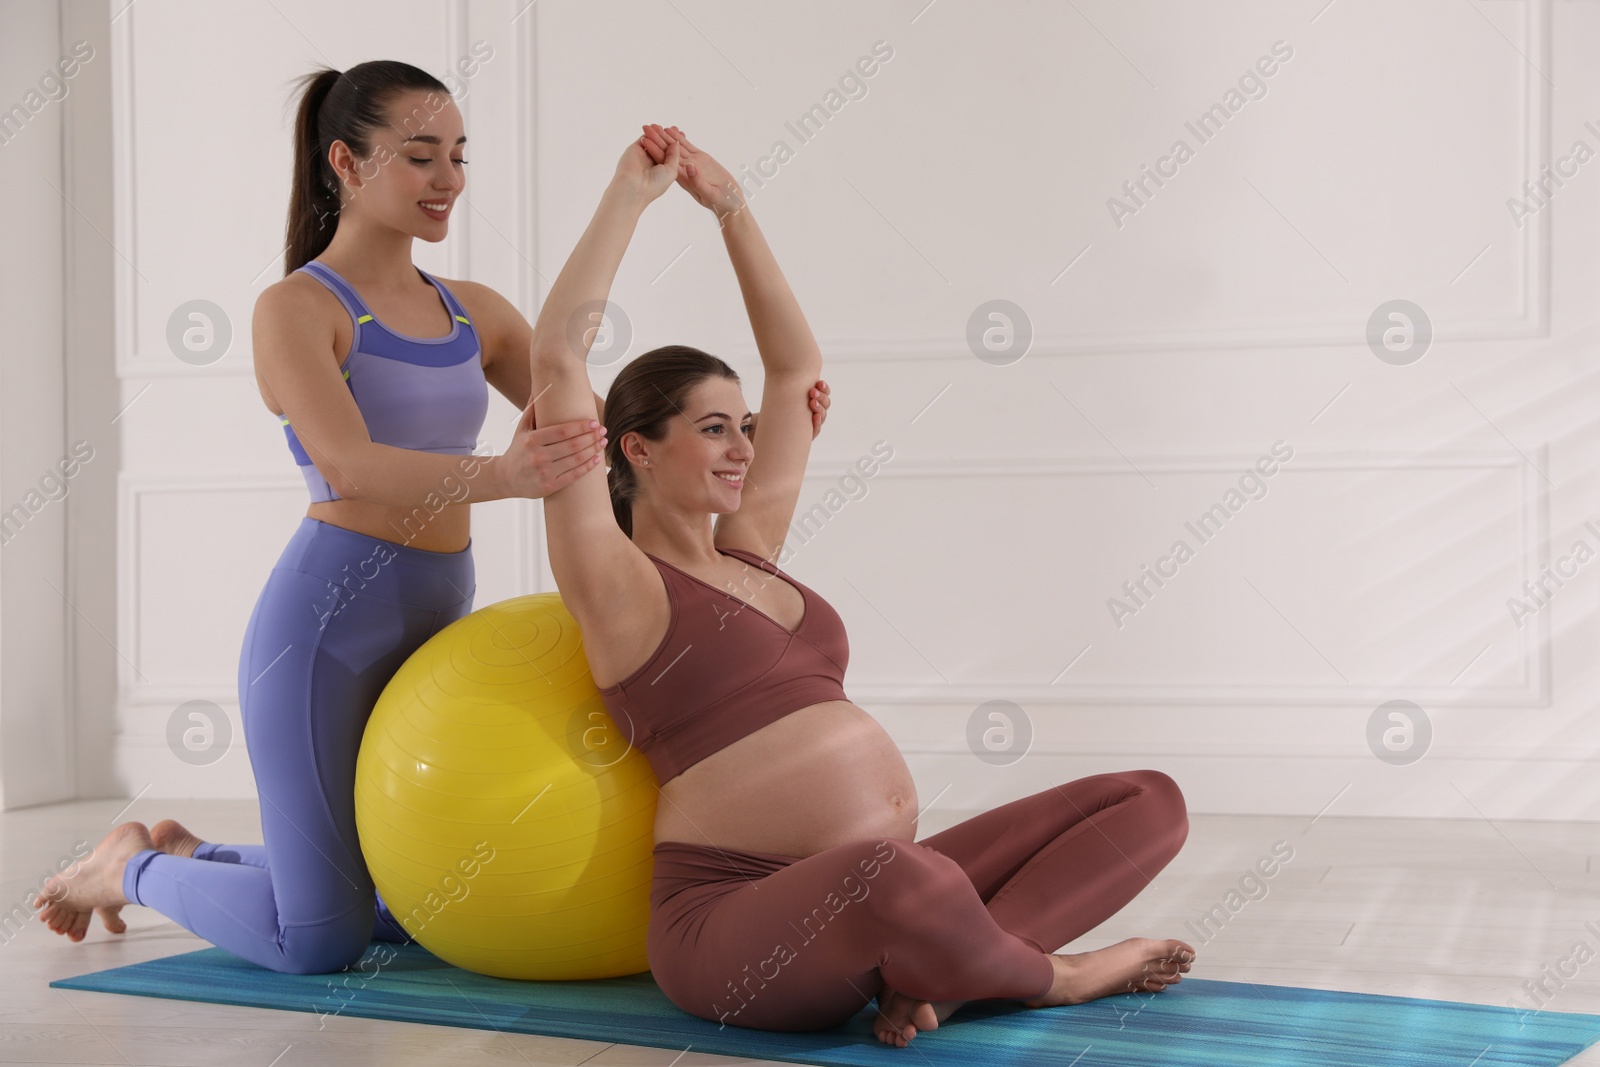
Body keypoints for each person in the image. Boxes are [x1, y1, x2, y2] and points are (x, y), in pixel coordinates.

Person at [28, 62, 833, 974]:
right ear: (347, 162)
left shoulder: (472, 313)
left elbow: (597, 429)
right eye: (420, 157)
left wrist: (738, 444)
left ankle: (183, 853)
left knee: (420, 897)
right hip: (326, 626)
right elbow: (349, 466)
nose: (449, 178)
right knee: (319, 938)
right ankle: (134, 866)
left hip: (436, 620)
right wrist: (502, 472)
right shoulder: (296, 309)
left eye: (458, 155)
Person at [530, 123, 1195, 1045]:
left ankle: (948, 978)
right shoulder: (617, 580)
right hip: (733, 924)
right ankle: (1055, 975)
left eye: (745, 427)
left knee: (1146, 799)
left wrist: (732, 209)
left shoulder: (750, 547)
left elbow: (796, 366)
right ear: (636, 446)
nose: (742, 449)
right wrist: (628, 197)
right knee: (896, 874)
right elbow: (558, 361)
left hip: (873, 884)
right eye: (715, 429)